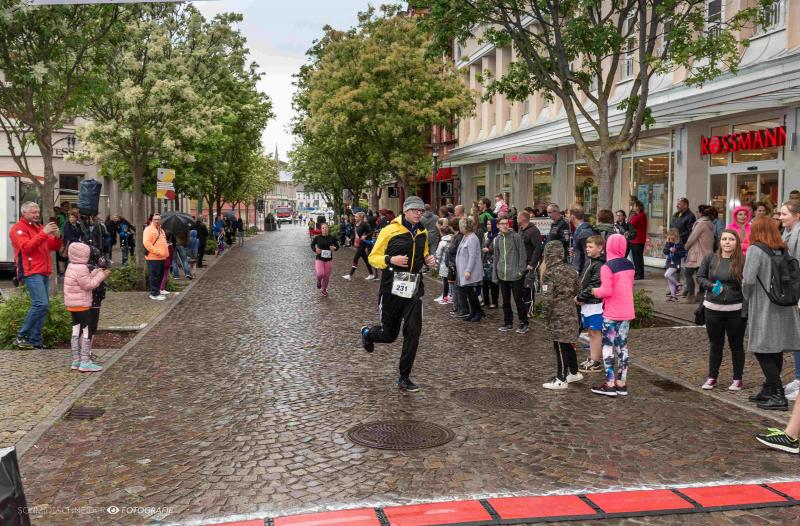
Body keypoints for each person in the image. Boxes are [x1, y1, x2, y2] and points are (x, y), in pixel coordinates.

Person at [360, 196, 436, 393]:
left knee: (413, 331)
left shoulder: (422, 232)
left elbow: (424, 253)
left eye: (421, 211)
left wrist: (428, 260)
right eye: (415, 210)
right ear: (406, 211)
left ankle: (404, 377)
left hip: (414, 288)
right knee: (389, 335)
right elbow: (373, 257)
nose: (419, 213)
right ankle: (368, 334)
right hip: (391, 289)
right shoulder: (389, 230)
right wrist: (390, 259)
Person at [743, 218, 800, 411]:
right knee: (775, 348)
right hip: (784, 305)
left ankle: (777, 394)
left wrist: (746, 297)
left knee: (761, 349)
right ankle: (768, 389)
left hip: (764, 306)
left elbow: (748, 280)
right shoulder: (783, 249)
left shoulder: (755, 249)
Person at [696, 230, 746, 391]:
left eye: (731, 239)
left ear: (737, 242)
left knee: (736, 345)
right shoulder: (710, 258)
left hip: (735, 310)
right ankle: (712, 377)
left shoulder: (743, 260)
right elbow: (700, 277)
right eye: (724, 239)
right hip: (713, 309)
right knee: (715, 345)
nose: (727, 242)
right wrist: (711, 286)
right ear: (720, 242)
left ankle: (737, 379)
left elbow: (748, 284)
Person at [9, 202, 63, 349]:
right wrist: (44, 233)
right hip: (31, 271)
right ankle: (21, 336)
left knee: (43, 306)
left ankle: (35, 341)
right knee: (41, 304)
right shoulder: (18, 228)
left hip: (43, 271)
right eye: (33, 212)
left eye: (38, 212)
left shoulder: (39, 228)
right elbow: (27, 248)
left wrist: (58, 237)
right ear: (24, 213)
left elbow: (54, 246)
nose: (37, 215)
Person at [591, 234, 635, 397]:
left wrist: (595, 291)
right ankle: (621, 383)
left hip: (612, 313)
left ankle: (610, 384)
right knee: (622, 347)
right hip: (627, 311)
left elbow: (606, 291)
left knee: (608, 346)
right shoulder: (630, 265)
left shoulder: (607, 267)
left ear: (608, 247)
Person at [63, 242, 112, 372]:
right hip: (82, 305)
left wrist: (96, 272)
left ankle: (76, 360)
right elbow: (88, 285)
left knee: (75, 332)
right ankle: (85, 362)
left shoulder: (71, 266)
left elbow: (83, 279)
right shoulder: (81, 268)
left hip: (72, 305)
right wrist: (102, 275)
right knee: (86, 331)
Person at [541, 240, 582, 389]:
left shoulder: (549, 274)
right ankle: (574, 372)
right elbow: (578, 289)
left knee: (559, 345)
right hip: (571, 311)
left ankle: (561, 378)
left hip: (557, 315)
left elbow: (547, 299)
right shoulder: (571, 270)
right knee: (568, 343)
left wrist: (545, 317)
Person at [492, 216, 528, 333]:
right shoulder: (497, 239)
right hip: (502, 275)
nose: (505, 225)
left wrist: (520, 271)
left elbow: (522, 254)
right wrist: (495, 275)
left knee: (518, 300)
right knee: (505, 301)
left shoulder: (515, 236)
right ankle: (508, 322)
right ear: (498, 226)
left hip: (515, 275)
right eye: (502, 223)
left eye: (506, 223)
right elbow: (496, 257)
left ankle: (523, 322)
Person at [779, 200, 800, 401]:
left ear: (797, 215)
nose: (780, 217)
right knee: (797, 336)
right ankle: (798, 377)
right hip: (794, 291)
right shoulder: (787, 233)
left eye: (784, 214)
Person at [577, 235, 605, 374]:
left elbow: (595, 284)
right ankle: (593, 357)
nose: (587, 249)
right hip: (587, 303)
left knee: (595, 332)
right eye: (587, 246)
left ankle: (596, 361)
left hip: (595, 304)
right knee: (591, 332)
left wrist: (580, 297)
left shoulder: (599, 265)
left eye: (590, 247)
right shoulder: (590, 261)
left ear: (599, 248)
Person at [683, 206, 716, 302]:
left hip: (697, 254)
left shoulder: (701, 223)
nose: (696, 213)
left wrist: (686, 247)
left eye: (697, 211)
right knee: (701, 276)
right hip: (707, 253)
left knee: (688, 273)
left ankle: (691, 295)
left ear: (701, 213)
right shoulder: (710, 224)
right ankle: (701, 295)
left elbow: (692, 238)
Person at [456, 216, 484, 322]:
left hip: (470, 271)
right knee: (469, 293)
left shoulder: (472, 238)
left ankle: (478, 312)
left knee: (472, 294)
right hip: (464, 271)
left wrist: (468, 270)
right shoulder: (466, 237)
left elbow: (473, 256)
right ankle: (473, 312)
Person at [517, 211, 543, 310]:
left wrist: (532, 263)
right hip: (522, 263)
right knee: (522, 288)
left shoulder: (534, 231)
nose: (516, 219)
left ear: (523, 218)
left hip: (530, 263)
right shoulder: (521, 230)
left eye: (518, 217)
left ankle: (530, 309)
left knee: (528, 287)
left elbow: (538, 248)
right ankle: (524, 308)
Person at [143, 214, 169, 301]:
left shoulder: (161, 230)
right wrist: (156, 252)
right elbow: (146, 243)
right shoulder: (148, 229)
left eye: (159, 219)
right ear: (152, 220)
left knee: (160, 276)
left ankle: (157, 291)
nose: (157, 221)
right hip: (153, 257)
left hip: (161, 257)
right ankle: (154, 293)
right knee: (154, 276)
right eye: (155, 219)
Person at [343, 212, 375, 281]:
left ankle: (350, 275)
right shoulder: (356, 224)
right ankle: (371, 274)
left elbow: (371, 232)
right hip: (358, 243)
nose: (355, 218)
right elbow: (356, 234)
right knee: (366, 260)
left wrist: (365, 236)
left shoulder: (364, 224)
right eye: (355, 217)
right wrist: (351, 239)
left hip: (363, 243)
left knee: (355, 258)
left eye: (357, 217)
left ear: (360, 217)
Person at [311, 223, 340, 297]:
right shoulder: (318, 238)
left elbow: (337, 246)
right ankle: (319, 281)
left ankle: (324, 289)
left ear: (328, 228)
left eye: (326, 228)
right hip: (319, 259)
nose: (325, 229)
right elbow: (312, 244)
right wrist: (315, 249)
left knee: (326, 276)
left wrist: (335, 248)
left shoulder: (332, 238)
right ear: (321, 229)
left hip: (329, 260)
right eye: (323, 228)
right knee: (320, 273)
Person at [569, 204, 594, 273]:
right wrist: (575, 250)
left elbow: (588, 256)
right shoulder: (580, 230)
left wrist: (585, 274)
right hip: (578, 268)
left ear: (572, 216)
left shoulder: (584, 232)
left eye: (569, 214)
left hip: (581, 270)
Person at [662, 229, 686, 302]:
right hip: (669, 263)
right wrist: (668, 245)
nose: (670, 238)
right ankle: (673, 296)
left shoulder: (679, 244)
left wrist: (676, 251)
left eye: (672, 237)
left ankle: (678, 284)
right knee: (670, 280)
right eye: (669, 237)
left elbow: (683, 254)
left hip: (676, 264)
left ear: (676, 237)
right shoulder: (668, 243)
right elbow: (665, 252)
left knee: (667, 275)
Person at [480, 218, 499, 309]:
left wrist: (489, 249)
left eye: (490, 224)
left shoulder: (497, 236)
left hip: (493, 262)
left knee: (493, 283)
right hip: (485, 261)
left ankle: (494, 302)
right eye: (487, 224)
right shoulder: (486, 235)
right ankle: (486, 300)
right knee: (485, 282)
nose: (488, 226)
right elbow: (482, 245)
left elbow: (497, 248)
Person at [434, 220, 454, 305]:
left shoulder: (442, 242)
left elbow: (438, 254)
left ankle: (445, 297)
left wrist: (436, 263)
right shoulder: (453, 240)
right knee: (452, 282)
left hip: (444, 264)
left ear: (442, 233)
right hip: (452, 265)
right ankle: (450, 296)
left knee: (445, 282)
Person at [628, 200, 647, 280]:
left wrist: (630, 221)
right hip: (634, 239)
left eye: (634, 206)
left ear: (638, 207)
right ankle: (636, 272)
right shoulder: (636, 215)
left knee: (638, 258)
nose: (633, 207)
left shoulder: (641, 215)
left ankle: (640, 274)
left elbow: (631, 223)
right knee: (635, 258)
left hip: (638, 239)